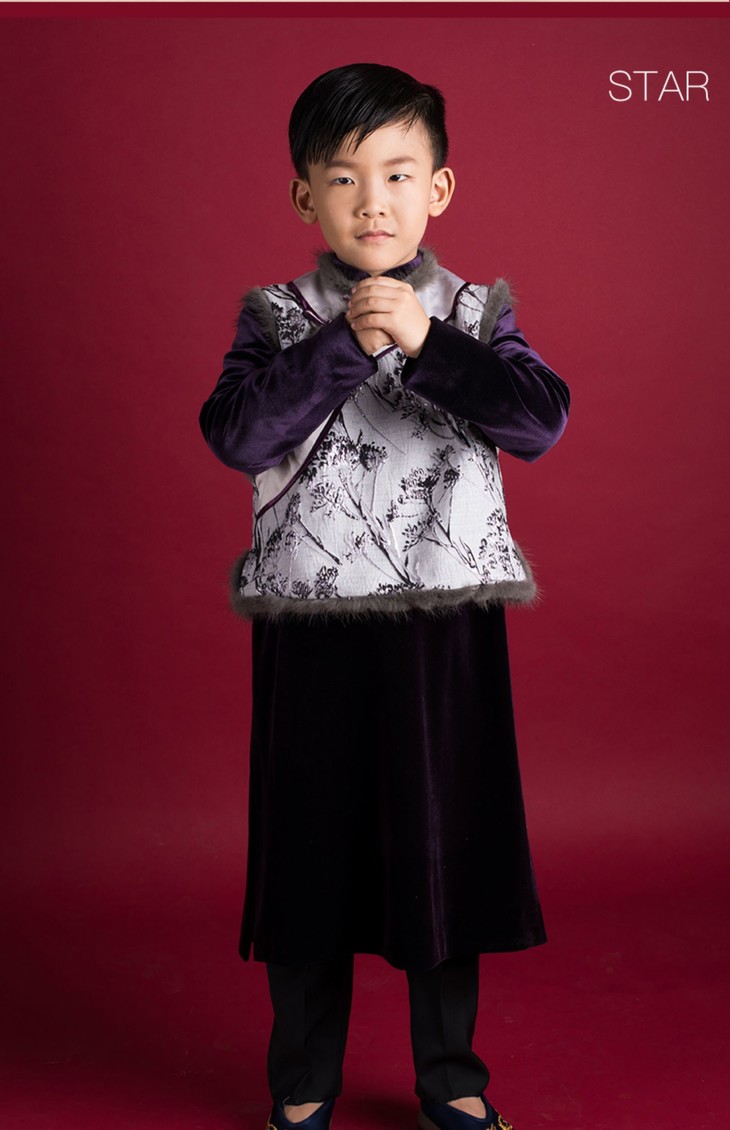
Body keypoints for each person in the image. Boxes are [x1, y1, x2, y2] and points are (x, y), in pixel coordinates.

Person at [200, 63, 569, 1130]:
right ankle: (303, 1074)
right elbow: (236, 436)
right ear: (303, 197)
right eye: (344, 177)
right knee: (310, 849)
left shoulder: (475, 310)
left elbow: (539, 420)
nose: (373, 200)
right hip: (311, 622)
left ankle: (450, 1070)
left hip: (445, 621)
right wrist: (343, 345)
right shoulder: (277, 318)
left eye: (399, 174)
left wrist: (422, 338)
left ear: (438, 189)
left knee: (444, 843)